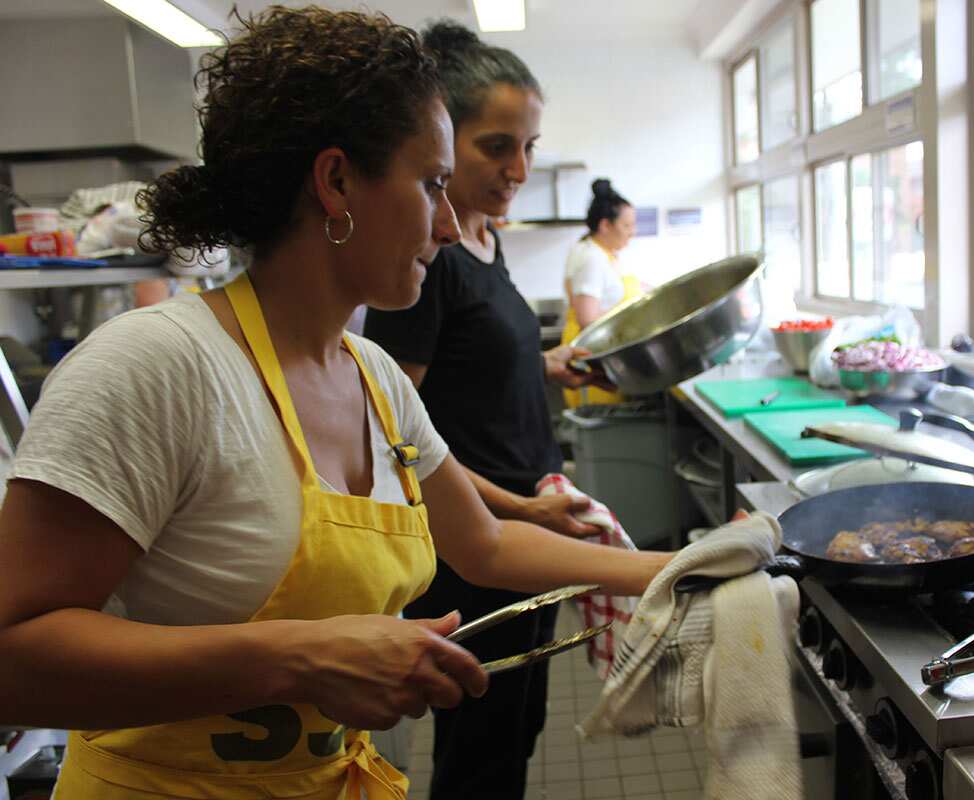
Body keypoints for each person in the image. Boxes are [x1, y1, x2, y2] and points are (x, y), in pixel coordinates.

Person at [0, 8, 672, 799]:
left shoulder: (376, 378)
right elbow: (12, 659)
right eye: (432, 186)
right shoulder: (157, 368)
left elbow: (486, 545)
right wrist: (302, 658)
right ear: (337, 181)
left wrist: (676, 569)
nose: (451, 227)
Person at [362, 20, 611, 800]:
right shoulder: (426, 265)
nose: (518, 167)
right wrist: (520, 513)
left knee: (513, 733)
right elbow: (398, 429)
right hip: (480, 547)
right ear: (445, 137)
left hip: (525, 522)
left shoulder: (484, 241)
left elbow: (469, 364)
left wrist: (544, 364)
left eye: (529, 147)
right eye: (496, 146)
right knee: (481, 749)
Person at [561, 179, 642, 407]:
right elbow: (587, 318)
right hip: (595, 359)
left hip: (606, 355)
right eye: (627, 226)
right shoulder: (592, 258)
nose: (632, 232)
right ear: (605, 225)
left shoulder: (605, 253)